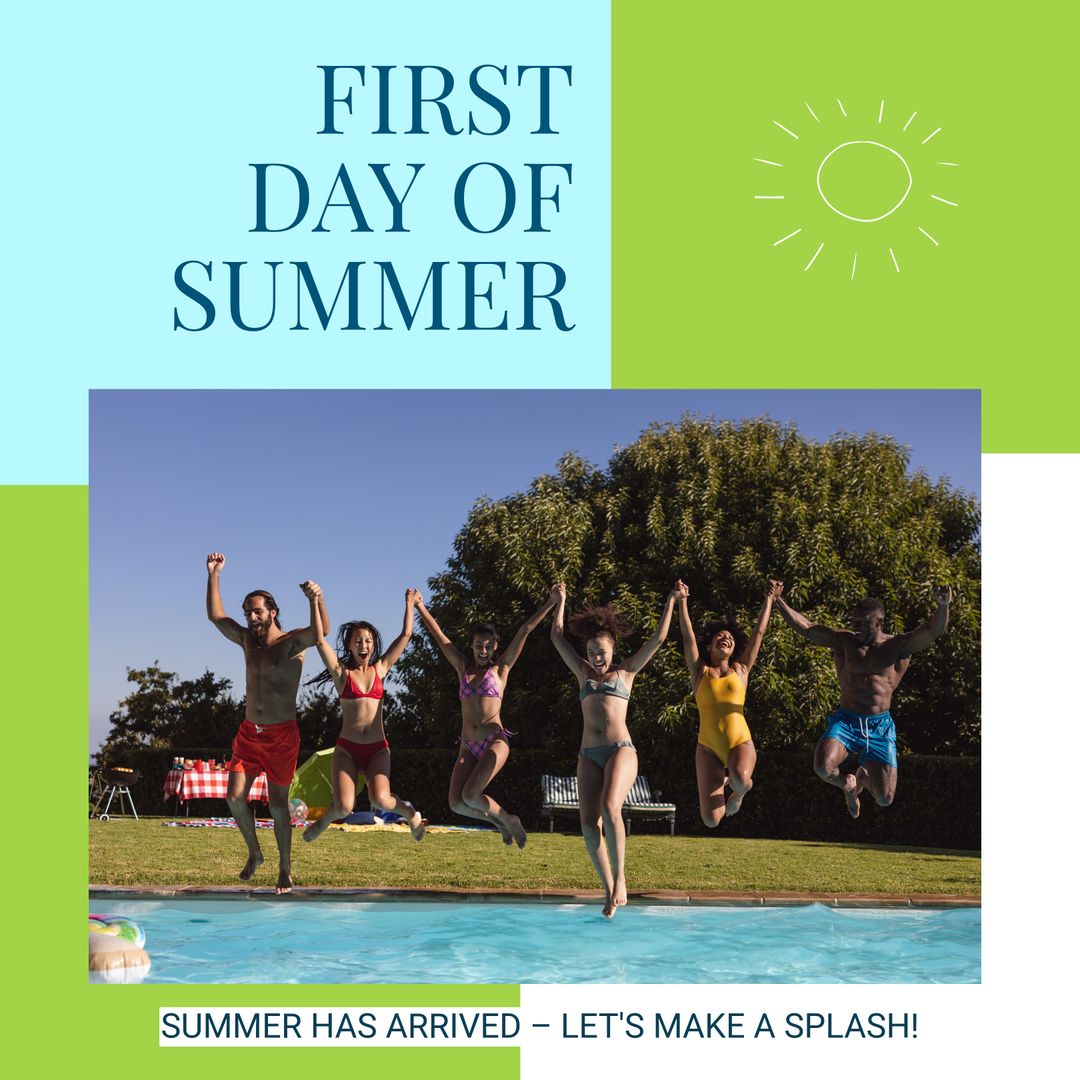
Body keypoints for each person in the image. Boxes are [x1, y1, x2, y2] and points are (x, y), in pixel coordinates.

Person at [550, 582, 677, 918]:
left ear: (612, 649)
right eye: (592, 652)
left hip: (621, 750)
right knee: (589, 824)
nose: (597, 658)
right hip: (587, 755)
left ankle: (621, 877)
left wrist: (671, 600)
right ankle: (608, 889)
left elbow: (658, 640)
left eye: (602, 652)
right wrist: (560, 601)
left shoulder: (627, 671)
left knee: (610, 807)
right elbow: (557, 638)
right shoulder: (582, 673)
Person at [205, 552, 329, 893]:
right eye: (247, 612)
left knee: (277, 805)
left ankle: (285, 868)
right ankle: (255, 853)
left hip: (281, 737)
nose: (250, 617)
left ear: (272, 611)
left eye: (256, 611)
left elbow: (323, 632)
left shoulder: (290, 643)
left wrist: (315, 599)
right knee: (234, 797)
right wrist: (214, 574)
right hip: (249, 734)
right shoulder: (247, 640)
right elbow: (216, 616)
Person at [774, 584, 953, 817]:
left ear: (878, 622)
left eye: (861, 622)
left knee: (884, 799)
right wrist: (778, 600)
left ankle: (862, 779)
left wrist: (943, 605)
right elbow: (807, 627)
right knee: (822, 768)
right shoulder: (845, 642)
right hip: (847, 721)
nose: (855, 626)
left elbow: (932, 631)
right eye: (854, 621)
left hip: (880, 726)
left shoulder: (898, 645)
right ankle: (848, 785)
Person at [414, 589, 558, 848]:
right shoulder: (462, 669)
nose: (483, 650)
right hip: (468, 744)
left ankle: (509, 819)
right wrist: (420, 606)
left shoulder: (501, 669)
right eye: (479, 645)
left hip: (494, 740)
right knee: (456, 803)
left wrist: (550, 601)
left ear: (495, 646)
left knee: (471, 794)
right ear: (471, 645)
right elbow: (440, 637)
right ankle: (498, 822)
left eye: (488, 646)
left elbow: (524, 630)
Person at [301, 586, 427, 843]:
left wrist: (410, 604)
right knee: (344, 807)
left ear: (373, 645)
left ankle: (409, 813)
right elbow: (318, 640)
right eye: (358, 641)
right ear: (349, 645)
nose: (363, 645)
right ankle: (323, 821)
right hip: (347, 749)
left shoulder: (381, 669)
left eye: (368, 640)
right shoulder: (341, 674)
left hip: (377, 749)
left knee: (381, 798)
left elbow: (405, 635)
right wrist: (314, 601)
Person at [676, 578, 781, 825]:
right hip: (707, 747)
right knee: (712, 820)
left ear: (734, 648)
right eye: (720, 636)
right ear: (710, 646)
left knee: (743, 780)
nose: (726, 638)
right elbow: (687, 635)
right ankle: (729, 782)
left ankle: (738, 791)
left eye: (730, 638)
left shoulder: (741, 670)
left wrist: (769, 600)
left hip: (739, 741)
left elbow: (759, 633)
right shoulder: (699, 672)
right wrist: (682, 602)